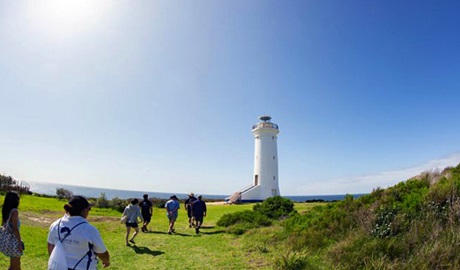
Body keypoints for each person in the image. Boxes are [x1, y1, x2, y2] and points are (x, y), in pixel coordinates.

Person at [47, 195, 110, 269]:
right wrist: (106, 261)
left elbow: (50, 245)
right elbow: (102, 253)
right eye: (89, 209)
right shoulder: (89, 230)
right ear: (85, 210)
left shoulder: (55, 225)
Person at [2, 191, 23, 270]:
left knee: (16, 265)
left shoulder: (5, 210)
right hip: (14, 242)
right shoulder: (14, 211)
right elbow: (15, 228)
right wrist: (20, 242)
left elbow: (3, 225)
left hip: (7, 241)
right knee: (15, 266)